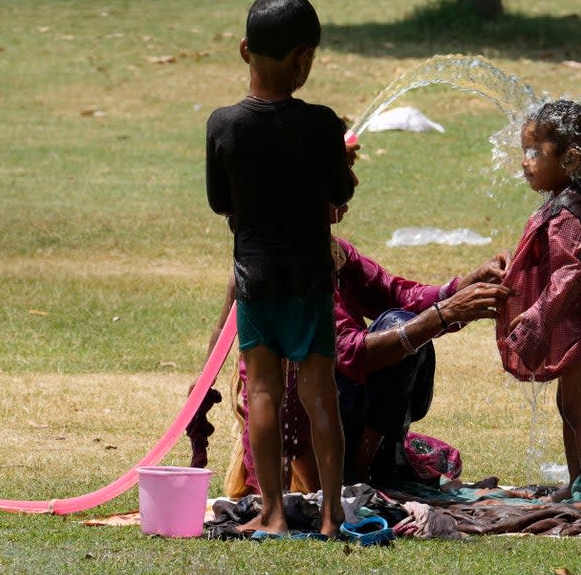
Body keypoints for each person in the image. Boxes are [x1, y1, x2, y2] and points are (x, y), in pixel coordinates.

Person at [200, 203, 513, 497]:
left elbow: (394, 293)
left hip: (330, 409)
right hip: (300, 439)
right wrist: (444, 314)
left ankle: (360, 469)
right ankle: (354, 479)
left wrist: (464, 286)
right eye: (342, 174)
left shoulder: (332, 250)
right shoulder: (293, 270)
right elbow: (350, 351)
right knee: (400, 328)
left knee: (400, 324)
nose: (351, 185)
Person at [205, 0, 355, 538]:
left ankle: (270, 512)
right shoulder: (321, 125)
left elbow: (221, 202)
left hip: (256, 279)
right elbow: (339, 194)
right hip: (311, 278)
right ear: (304, 58)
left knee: (262, 391)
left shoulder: (224, 124)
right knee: (321, 395)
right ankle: (332, 514)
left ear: (245, 50)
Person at [495, 100, 581, 507]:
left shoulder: (568, 213)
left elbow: (570, 274)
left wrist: (536, 318)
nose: (524, 162)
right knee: (568, 407)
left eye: (534, 153)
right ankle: (578, 482)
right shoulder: (579, 197)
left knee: (580, 412)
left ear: (570, 159)